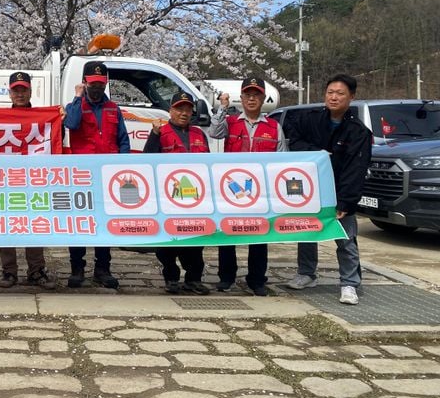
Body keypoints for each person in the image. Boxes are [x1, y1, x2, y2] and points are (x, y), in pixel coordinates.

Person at [285, 74, 371, 305]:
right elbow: (294, 140)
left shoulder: (358, 131)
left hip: (339, 192)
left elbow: (356, 169)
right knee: (306, 233)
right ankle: (306, 273)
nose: (334, 97)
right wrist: (319, 153)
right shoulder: (310, 119)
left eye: (340, 93)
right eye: (330, 92)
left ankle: (350, 283)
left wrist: (346, 201)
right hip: (309, 190)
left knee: (345, 238)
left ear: (351, 97)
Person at [0, 71, 57, 290]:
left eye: (24, 90)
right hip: (5, 182)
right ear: (10, 93)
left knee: (34, 225)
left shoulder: (44, 116)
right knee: (6, 226)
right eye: (16, 90)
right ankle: (9, 272)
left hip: (34, 182)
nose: (20, 94)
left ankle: (36, 271)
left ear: (31, 91)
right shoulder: (0, 117)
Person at [207, 76, 286, 296]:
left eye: (256, 95)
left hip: (261, 193)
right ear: (240, 98)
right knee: (228, 234)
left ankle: (257, 280)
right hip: (231, 189)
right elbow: (214, 132)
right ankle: (226, 277)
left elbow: (282, 160)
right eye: (247, 95)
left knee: (260, 235)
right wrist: (222, 108)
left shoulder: (274, 127)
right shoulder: (231, 122)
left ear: (263, 98)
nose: (251, 99)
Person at [62, 61, 130, 289]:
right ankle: (77, 268)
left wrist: (124, 169)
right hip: (81, 175)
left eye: (101, 84)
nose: (97, 88)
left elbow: (123, 140)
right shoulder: (75, 106)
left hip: (108, 176)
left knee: (104, 223)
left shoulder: (113, 108)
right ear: (84, 83)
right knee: (79, 223)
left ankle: (103, 269)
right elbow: (70, 124)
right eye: (92, 84)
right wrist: (77, 98)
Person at [143, 91, 210, 295]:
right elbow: (147, 161)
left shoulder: (199, 134)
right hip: (169, 199)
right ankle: (171, 277)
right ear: (170, 110)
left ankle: (193, 279)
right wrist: (154, 135)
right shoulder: (160, 132)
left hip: (195, 200)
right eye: (179, 108)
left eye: (188, 109)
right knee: (168, 243)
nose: (184, 112)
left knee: (196, 242)